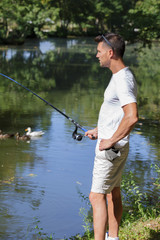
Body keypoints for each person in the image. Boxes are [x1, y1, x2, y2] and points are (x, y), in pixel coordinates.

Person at [85, 33, 138, 240]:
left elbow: (132, 116)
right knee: (112, 192)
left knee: (95, 196)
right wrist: (100, 131)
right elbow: (119, 114)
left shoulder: (122, 79)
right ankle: (113, 238)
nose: (96, 55)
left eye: (99, 52)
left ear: (110, 52)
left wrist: (110, 140)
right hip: (115, 147)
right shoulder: (121, 76)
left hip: (110, 150)